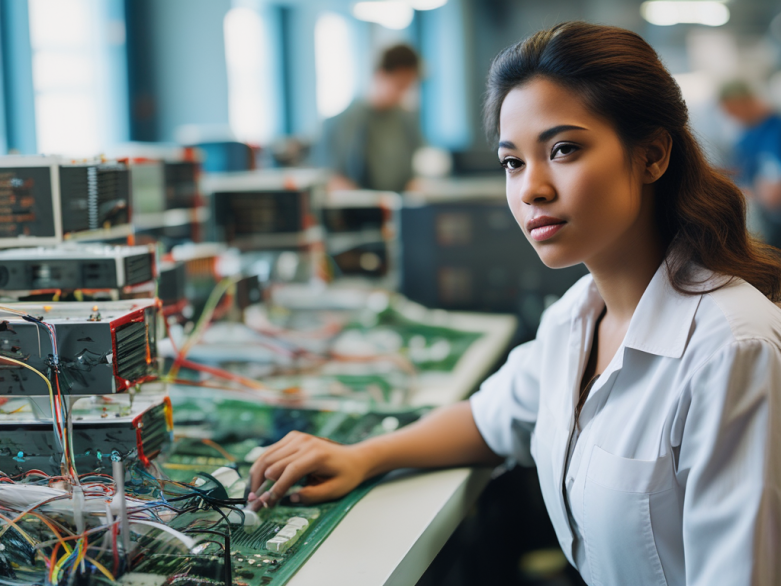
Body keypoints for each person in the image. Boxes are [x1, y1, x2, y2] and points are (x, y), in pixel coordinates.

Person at [249, 22, 781, 585]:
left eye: (563, 150)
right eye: (513, 162)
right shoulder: (577, 318)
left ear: (652, 156)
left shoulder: (732, 350)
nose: (531, 188)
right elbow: (491, 419)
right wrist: (363, 456)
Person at [319, 44, 423, 193]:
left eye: (408, 87)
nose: (403, 94)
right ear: (380, 75)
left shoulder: (406, 120)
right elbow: (333, 178)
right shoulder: (345, 121)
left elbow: (414, 171)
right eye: (399, 86)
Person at [719, 81, 781, 247]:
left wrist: (751, 192)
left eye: (732, 110)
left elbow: (773, 194)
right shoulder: (745, 138)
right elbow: (739, 173)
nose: (731, 116)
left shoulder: (774, 132)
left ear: (745, 102)